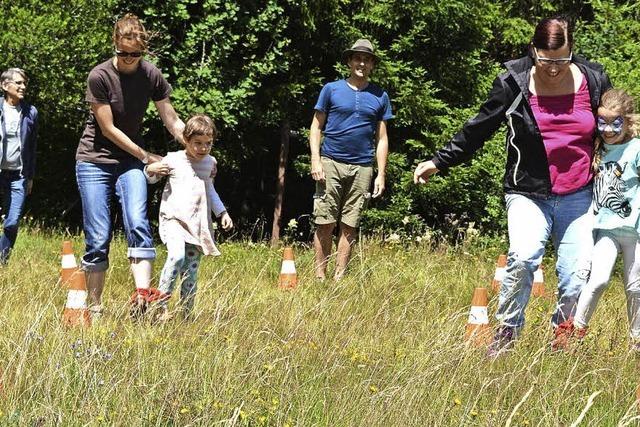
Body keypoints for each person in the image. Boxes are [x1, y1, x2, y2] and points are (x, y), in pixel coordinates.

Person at [413, 16, 612, 357]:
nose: (553, 68)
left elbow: (615, 126)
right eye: (545, 60)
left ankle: (562, 339)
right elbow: (478, 127)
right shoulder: (512, 83)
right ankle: (507, 334)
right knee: (522, 257)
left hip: (579, 193)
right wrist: (439, 161)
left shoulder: (594, 80)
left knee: (578, 274)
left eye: (561, 60)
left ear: (572, 52)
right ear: (533, 51)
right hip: (527, 191)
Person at [75, 13, 185, 318]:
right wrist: (147, 156)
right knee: (98, 236)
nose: (128, 59)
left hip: (129, 162)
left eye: (135, 55)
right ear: (114, 45)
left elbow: (171, 118)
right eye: (123, 53)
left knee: (137, 222)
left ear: (144, 52)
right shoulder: (99, 76)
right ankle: (94, 307)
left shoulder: (151, 75)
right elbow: (109, 129)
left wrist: (192, 146)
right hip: (94, 161)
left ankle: (142, 299)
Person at [552, 89, 640, 351]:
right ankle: (573, 331)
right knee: (598, 280)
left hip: (635, 230)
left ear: (628, 121)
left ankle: (637, 340)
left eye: (615, 123)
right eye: (602, 123)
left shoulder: (635, 148)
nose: (608, 129)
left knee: (635, 287)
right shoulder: (597, 147)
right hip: (606, 229)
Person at [310, 38, 393, 281]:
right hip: (331, 162)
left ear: (372, 65)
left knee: (350, 224)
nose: (362, 63)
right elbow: (316, 128)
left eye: (367, 59)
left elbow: (382, 138)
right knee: (325, 222)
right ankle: (319, 277)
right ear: (349, 61)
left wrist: (381, 174)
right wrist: (316, 160)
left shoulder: (380, 95)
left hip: (363, 167)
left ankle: (339, 278)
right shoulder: (331, 89)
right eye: (357, 58)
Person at [144, 114, 233, 320]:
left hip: (197, 224)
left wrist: (222, 212)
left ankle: (186, 314)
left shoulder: (210, 163)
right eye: (197, 143)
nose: (203, 148)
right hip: (173, 220)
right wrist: (149, 169)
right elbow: (151, 179)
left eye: (208, 144)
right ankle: (161, 305)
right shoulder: (173, 159)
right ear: (186, 140)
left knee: (191, 272)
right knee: (176, 257)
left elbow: (209, 189)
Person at [0, 68, 37, 264]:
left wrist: (30, 176)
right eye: (18, 83)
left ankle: (2, 260)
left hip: (19, 176)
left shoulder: (30, 112)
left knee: (12, 222)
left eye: (24, 83)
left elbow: (32, 147)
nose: (23, 87)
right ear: (5, 86)